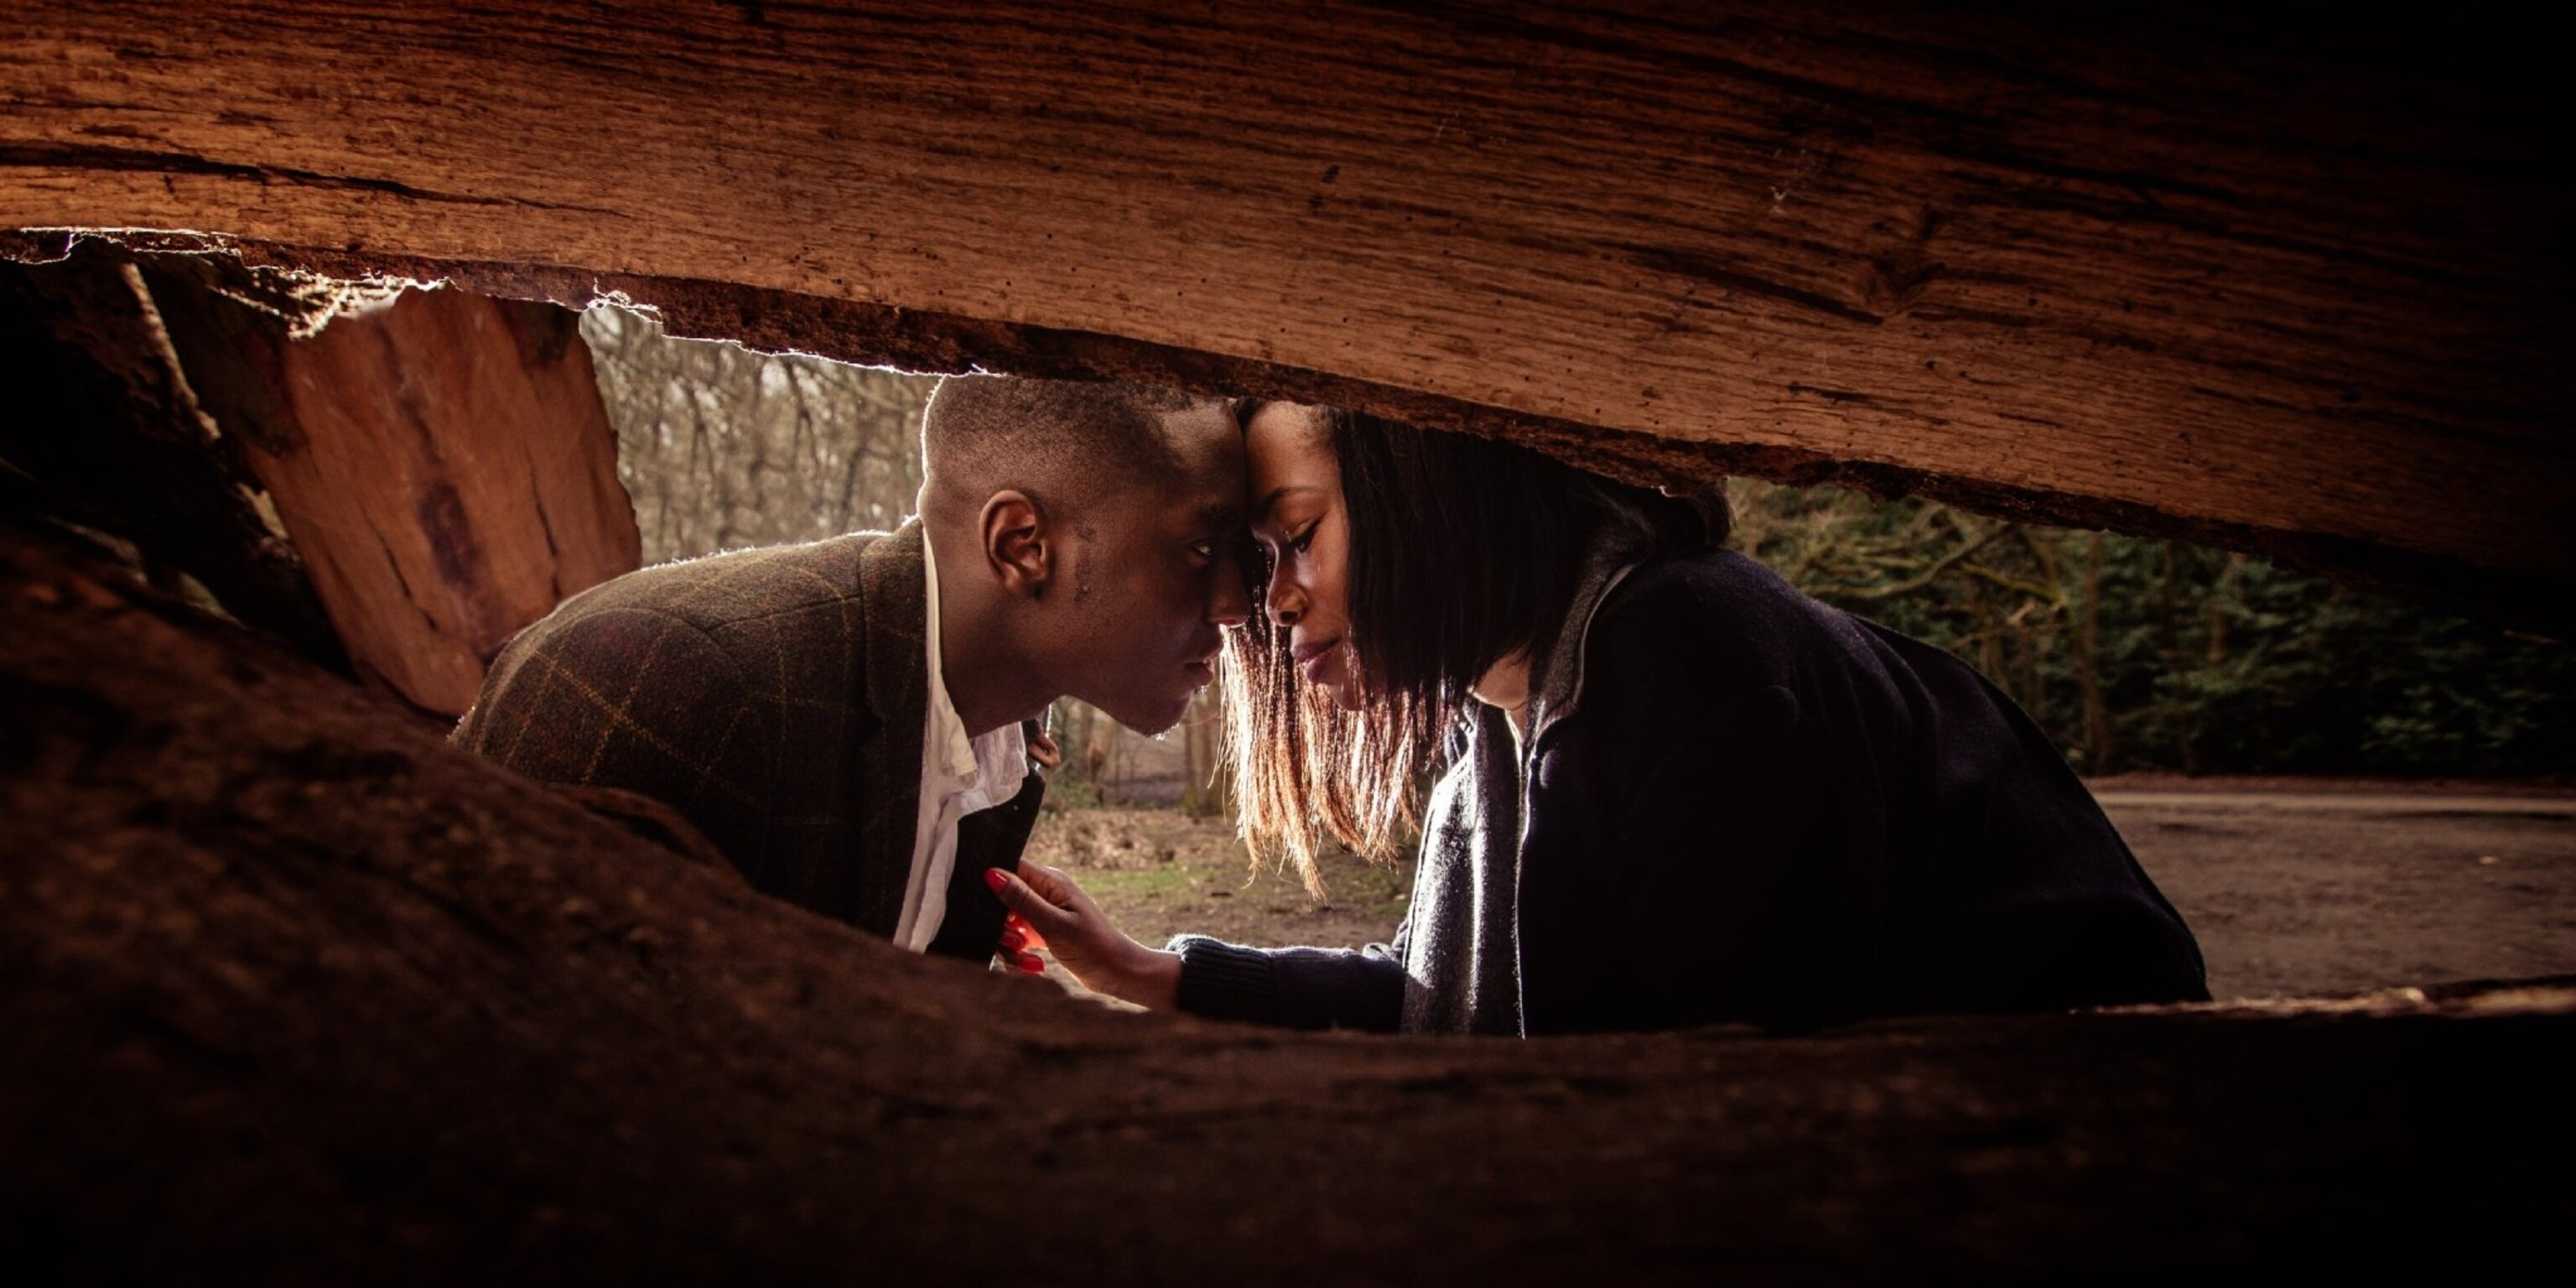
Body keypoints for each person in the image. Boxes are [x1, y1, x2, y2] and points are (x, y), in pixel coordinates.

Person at [990, 401, 2209, 1034]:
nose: (1282, 599)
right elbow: (1437, 1000)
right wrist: (1159, 974)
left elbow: (1712, 1081)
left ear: (1432, 495)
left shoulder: (1684, 648)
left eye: (1299, 537)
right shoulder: (1504, 722)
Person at [454, 376, 1249, 968]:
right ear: (1022, 546)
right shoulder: (683, 683)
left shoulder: (999, 734)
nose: (1238, 604)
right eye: (1200, 550)